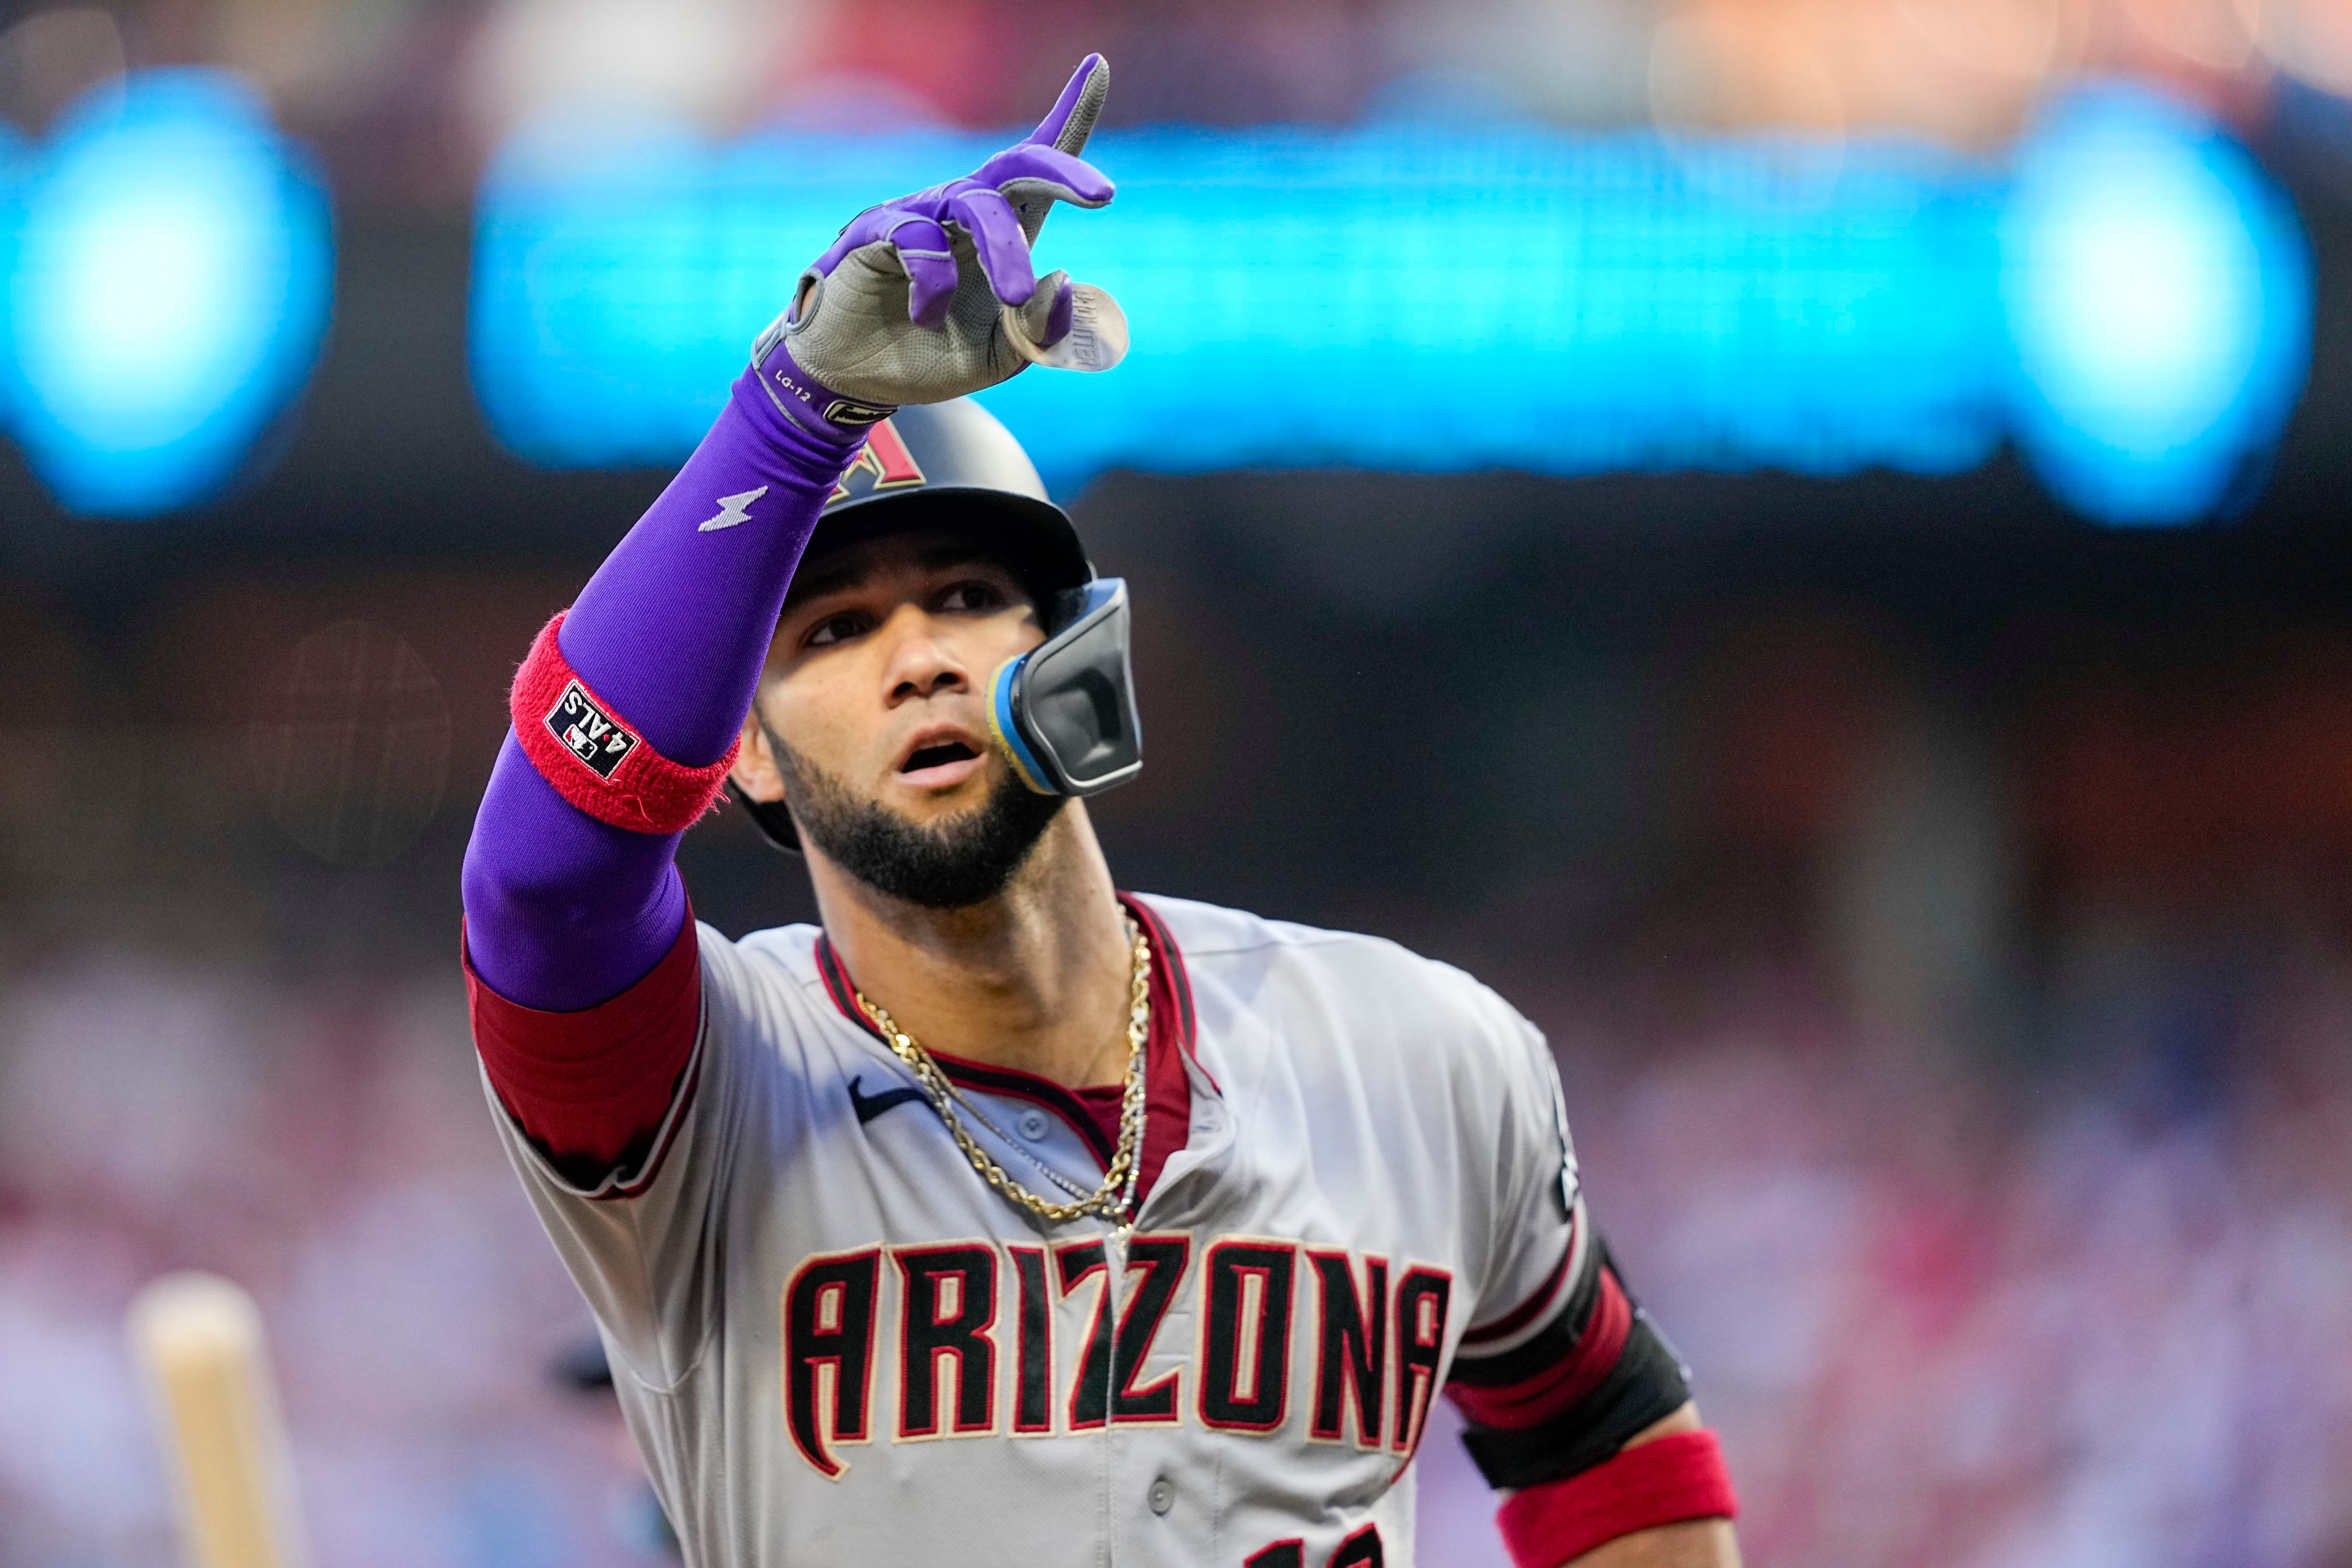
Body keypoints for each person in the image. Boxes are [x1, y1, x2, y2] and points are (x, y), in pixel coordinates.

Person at [461, 55, 1740, 1568]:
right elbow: (545, 885)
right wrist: (798, 414)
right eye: (832, 633)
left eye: (964, 596)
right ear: (736, 752)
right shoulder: (702, 1095)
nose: (919, 654)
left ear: (1072, 653)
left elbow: (1605, 1446)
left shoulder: (1417, 1051)